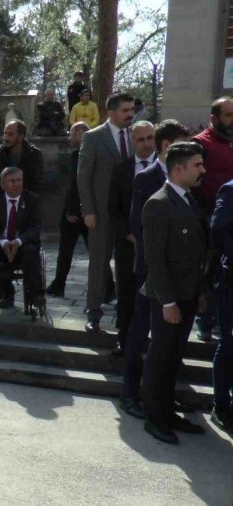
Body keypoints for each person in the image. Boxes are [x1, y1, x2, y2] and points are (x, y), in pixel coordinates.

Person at [122, 120, 192, 419]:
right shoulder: (147, 180)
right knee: (139, 333)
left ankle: (162, 394)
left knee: (169, 340)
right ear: (169, 147)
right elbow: (139, 227)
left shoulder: (187, 185)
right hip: (149, 272)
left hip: (180, 276)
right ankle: (130, 393)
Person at [140, 141, 208, 444]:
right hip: (167, 298)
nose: (202, 170)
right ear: (178, 168)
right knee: (161, 358)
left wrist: (200, 292)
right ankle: (154, 418)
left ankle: (168, 413)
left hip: (188, 294)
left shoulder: (189, 199)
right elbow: (154, 258)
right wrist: (168, 301)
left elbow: (197, 252)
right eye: (197, 165)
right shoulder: (159, 202)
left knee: (174, 357)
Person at [78, 92, 135, 333]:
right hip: (100, 214)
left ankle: (127, 313)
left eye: (132, 110)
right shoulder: (94, 137)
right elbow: (83, 176)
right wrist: (88, 210)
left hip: (128, 214)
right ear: (111, 112)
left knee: (128, 266)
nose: (130, 114)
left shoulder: (137, 136)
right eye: (125, 110)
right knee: (98, 264)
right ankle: (93, 312)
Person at [109, 121, 156, 355]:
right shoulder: (122, 170)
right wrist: (128, 234)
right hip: (129, 245)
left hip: (158, 245)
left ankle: (157, 344)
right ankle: (124, 338)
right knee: (126, 292)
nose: (147, 143)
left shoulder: (165, 168)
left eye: (150, 138)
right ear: (132, 142)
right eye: (141, 139)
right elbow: (114, 208)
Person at [192, 97, 233, 342]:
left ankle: (222, 319)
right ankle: (205, 321)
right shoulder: (200, 144)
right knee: (209, 273)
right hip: (209, 220)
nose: (232, 120)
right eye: (228, 115)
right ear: (214, 119)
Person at [0, 167, 43, 309]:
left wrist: (18, 241)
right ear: (3, 184)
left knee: (31, 252)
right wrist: (3, 242)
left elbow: (35, 227)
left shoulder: (32, 199)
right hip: (1, 244)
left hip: (23, 244)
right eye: (11, 181)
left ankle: (36, 294)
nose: (16, 184)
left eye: (18, 180)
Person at [47, 123, 91, 297]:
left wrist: (71, 210)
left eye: (72, 134)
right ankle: (109, 287)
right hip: (87, 210)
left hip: (77, 211)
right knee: (95, 252)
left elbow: (77, 185)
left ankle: (59, 284)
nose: (69, 138)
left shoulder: (80, 155)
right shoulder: (88, 154)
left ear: (81, 133)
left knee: (66, 251)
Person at [209, 176, 233, 434]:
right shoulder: (230, 189)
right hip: (230, 280)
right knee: (228, 343)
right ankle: (220, 403)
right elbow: (217, 228)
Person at [0, 120, 43, 194]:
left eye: (10, 135)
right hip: (2, 201)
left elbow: (36, 184)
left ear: (20, 136)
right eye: (5, 134)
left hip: (26, 200)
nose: (5, 138)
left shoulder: (34, 154)